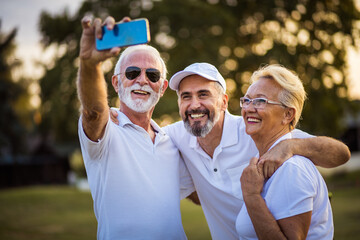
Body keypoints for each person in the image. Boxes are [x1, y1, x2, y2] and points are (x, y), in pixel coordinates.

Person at [111, 62, 349, 239]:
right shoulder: (174, 136)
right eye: (186, 96)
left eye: (203, 94)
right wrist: (117, 119)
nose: (194, 104)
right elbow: (140, 140)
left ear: (224, 101)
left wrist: (291, 145)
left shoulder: (256, 130)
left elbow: (341, 154)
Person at [77, 16, 194, 239]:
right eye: (132, 73)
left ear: (162, 88)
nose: (142, 80)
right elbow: (93, 112)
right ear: (116, 82)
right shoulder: (107, 131)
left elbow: (204, 187)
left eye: (152, 75)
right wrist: (89, 65)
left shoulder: (171, 141)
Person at [237, 64, 333, 239]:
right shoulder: (264, 161)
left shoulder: (291, 169)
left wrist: (251, 196)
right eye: (247, 100)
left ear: (288, 114)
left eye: (260, 101)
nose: (249, 108)